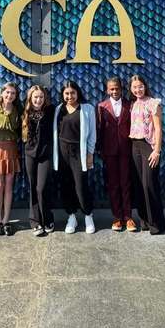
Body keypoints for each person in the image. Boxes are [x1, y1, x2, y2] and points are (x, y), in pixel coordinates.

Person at [52, 80, 96, 234]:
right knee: (66, 185)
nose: (69, 96)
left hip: (79, 153)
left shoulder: (87, 109)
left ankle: (88, 215)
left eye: (72, 93)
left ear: (78, 93)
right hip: (62, 152)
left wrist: (90, 153)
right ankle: (71, 216)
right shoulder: (58, 109)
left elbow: (92, 134)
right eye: (66, 93)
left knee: (81, 186)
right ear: (62, 94)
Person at [96, 76, 137, 233]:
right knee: (113, 185)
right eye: (111, 89)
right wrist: (100, 150)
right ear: (107, 90)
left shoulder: (130, 105)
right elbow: (100, 130)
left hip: (127, 151)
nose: (114, 91)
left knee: (126, 183)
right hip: (109, 152)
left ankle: (128, 217)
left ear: (121, 89)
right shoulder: (101, 107)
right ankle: (117, 217)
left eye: (117, 88)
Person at [128, 74, 165, 235]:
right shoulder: (133, 104)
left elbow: (158, 128)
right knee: (138, 184)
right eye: (135, 87)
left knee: (149, 184)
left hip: (149, 146)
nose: (138, 89)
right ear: (131, 89)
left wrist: (157, 150)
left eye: (140, 86)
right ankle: (144, 220)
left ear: (145, 86)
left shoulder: (153, 103)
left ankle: (157, 223)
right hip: (134, 146)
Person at [0, 83, 22, 236]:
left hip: (12, 147)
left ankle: (6, 220)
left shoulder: (18, 109)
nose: (10, 95)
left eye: (13, 93)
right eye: (7, 92)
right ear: (2, 93)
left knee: (8, 186)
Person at [22, 84, 55, 237]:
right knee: (33, 187)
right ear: (30, 98)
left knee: (42, 188)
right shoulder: (25, 112)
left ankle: (47, 218)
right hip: (30, 154)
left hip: (45, 155)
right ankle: (35, 221)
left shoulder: (50, 111)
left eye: (41, 97)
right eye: (35, 97)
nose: (38, 99)